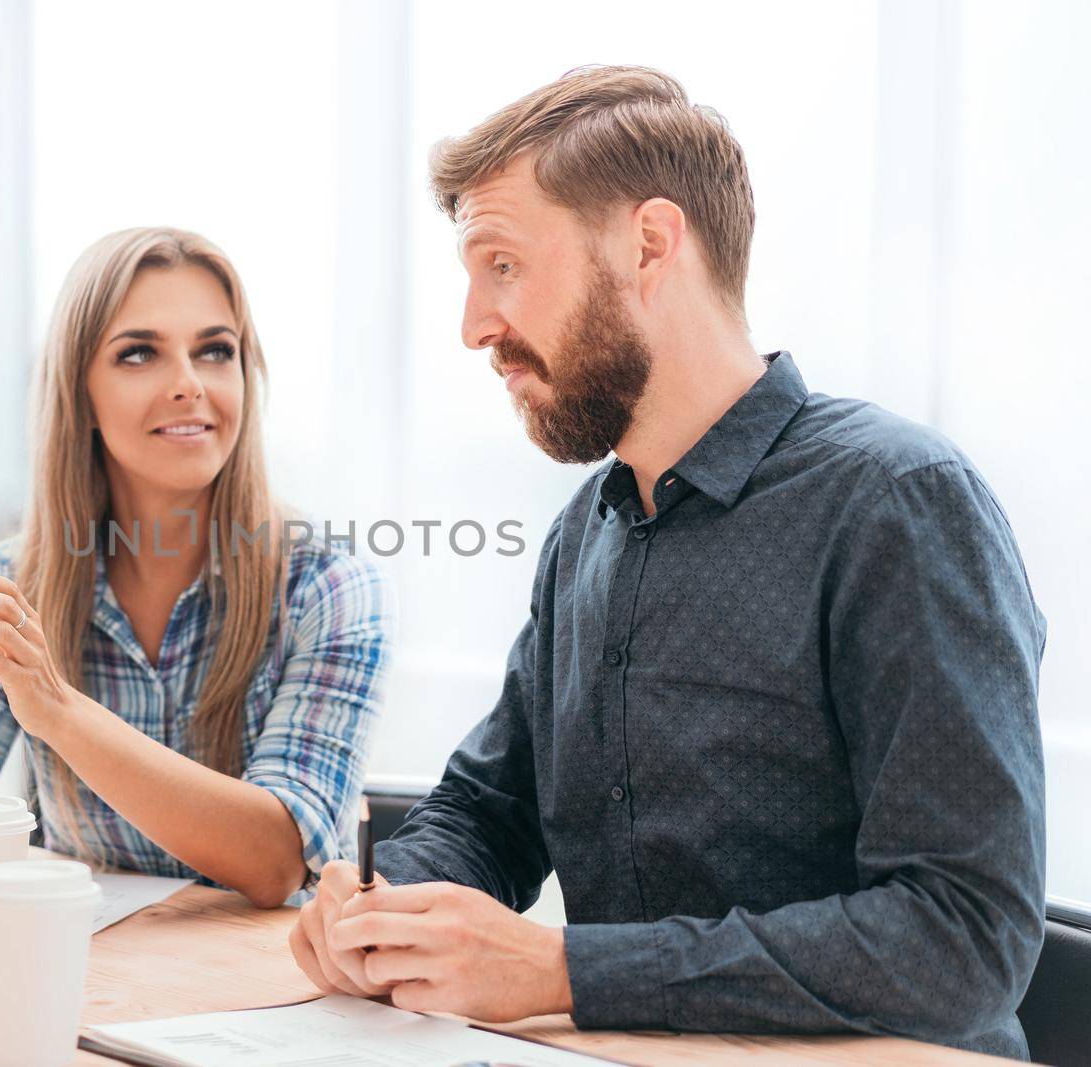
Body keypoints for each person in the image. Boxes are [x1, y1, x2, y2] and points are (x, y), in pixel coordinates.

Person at [290, 66, 1046, 1058]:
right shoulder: (583, 534)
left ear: (648, 246)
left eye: (504, 266)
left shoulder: (895, 503)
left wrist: (565, 970)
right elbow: (492, 809)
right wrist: (378, 904)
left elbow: (963, 937)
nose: (474, 326)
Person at [0, 227, 394, 908]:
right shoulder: (13, 580)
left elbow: (278, 860)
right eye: (140, 354)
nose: (188, 384)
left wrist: (57, 709)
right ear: (80, 393)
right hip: (83, 974)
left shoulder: (328, 587)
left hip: (260, 992)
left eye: (215, 351)